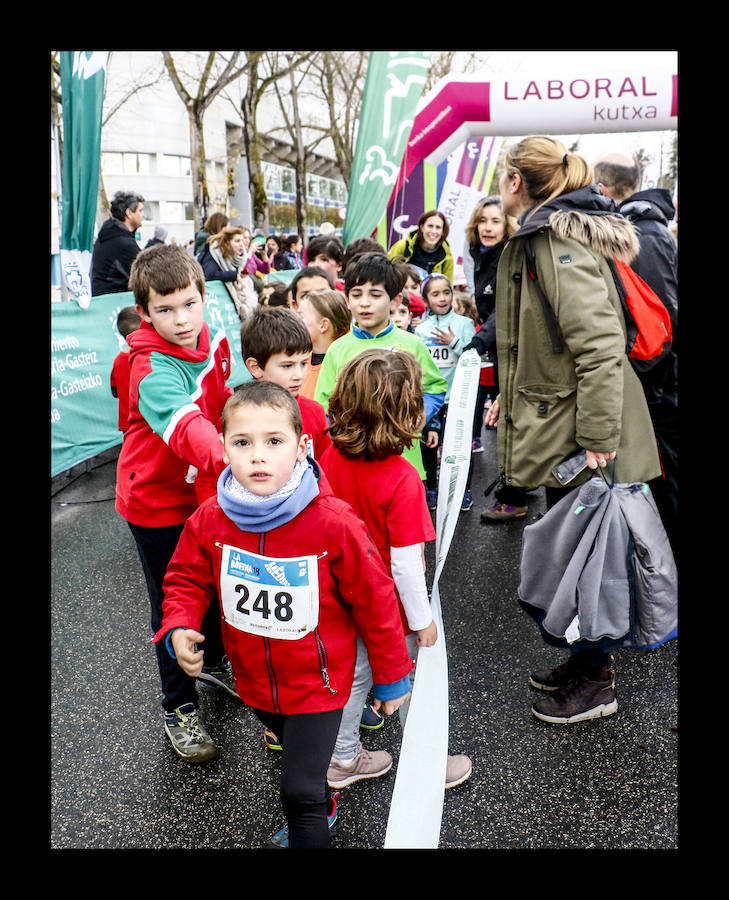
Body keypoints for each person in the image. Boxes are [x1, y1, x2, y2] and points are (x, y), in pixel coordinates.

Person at [154, 380, 413, 848]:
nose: (258, 456)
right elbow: (185, 578)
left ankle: (314, 807)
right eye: (242, 442)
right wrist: (180, 622)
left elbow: (376, 600)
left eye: (274, 441)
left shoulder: (333, 522)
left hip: (321, 684)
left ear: (301, 446)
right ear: (223, 446)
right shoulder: (211, 518)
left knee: (299, 791)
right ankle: (315, 791)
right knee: (285, 742)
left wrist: (392, 675)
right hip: (254, 682)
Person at [487, 135, 662, 724]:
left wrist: (596, 442)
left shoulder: (556, 240)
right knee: (581, 550)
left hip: (587, 432)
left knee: (596, 557)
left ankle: (597, 681)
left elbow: (600, 347)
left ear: (516, 182)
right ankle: (587, 663)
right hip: (576, 422)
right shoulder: (552, 234)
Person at [320, 349, 473, 790]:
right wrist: (422, 620)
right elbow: (405, 565)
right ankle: (427, 762)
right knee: (407, 674)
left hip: (338, 594)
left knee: (353, 680)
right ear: (408, 412)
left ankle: (342, 758)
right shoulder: (402, 479)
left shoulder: (329, 456)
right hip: (385, 606)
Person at [115, 243, 238, 762]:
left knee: (215, 580)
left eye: (189, 304)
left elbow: (223, 396)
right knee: (172, 604)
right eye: (165, 310)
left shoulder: (209, 337)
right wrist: (243, 460)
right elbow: (189, 428)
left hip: (204, 493)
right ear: (144, 313)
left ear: (204, 297)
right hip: (157, 503)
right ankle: (178, 707)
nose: (181, 319)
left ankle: (211, 659)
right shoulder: (149, 367)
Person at [593, 152, 679, 555]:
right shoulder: (648, 229)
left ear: (604, 189)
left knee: (666, 485)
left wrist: (649, 385)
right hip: (658, 384)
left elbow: (660, 325)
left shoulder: (642, 235)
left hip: (661, 388)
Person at [314, 253, 448, 483]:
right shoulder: (337, 349)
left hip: (405, 460)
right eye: (356, 295)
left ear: (396, 301)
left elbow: (435, 388)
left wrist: (416, 419)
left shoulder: (412, 344)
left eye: (375, 295)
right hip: (352, 464)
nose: (364, 302)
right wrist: (341, 438)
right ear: (347, 300)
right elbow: (324, 406)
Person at [460, 197, 529, 521]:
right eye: (483, 220)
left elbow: (505, 308)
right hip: (503, 344)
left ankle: (514, 497)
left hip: (516, 347)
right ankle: (520, 485)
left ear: (507, 226)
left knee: (512, 420)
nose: (488, 227)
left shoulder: (507, 254)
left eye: (495, 221)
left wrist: (477, 341)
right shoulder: (481, 254)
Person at [414, 273, 477, 511]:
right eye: (435, 294)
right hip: (431, 398)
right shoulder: (422, 330)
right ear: (427, 299)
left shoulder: (464, 324)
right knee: (428, 445)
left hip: (458, 398)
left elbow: (474, 359)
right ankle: (431, 487)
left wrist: (454, 343)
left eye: (446, 292)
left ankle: (463, 490)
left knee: (461, 446)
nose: (442, 298)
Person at [240, 305, 332, 465]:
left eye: (303, 363)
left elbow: (325, 467)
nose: (299, 375)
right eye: (287, 366)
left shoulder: (315, 412)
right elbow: (211, 478)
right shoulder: (238, 417)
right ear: (256, 368)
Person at [296, 288, 351, 399]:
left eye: (301, 316)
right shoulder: (300, 362)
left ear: (323, 325)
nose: (295, 321)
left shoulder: (344, 368)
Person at [197, 226, 258, 322]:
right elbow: (210, 275)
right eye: (237, 241)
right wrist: (234, 276)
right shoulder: (213, 254)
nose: (242, 244)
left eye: (242, 241)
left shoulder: (238, 258)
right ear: (227, 243)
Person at [90, 190, 145, 296]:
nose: (143, 215)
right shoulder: (124, 244)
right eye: (140, 211)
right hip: (115, 304)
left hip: (104, 300)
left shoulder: (109, 234)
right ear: (129, 213)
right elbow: (148, 276)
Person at [388, 210, 454, 282]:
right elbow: (387, 272)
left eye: (438, 227)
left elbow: (448, 287)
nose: (433, 231)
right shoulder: (402, 246)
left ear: (443, 232)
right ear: (422, 227)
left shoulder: (447, 257)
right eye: (430, 226)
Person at [110, 306, 141, 434]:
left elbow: (114, 392)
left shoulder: (118, 361)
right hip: (149, 422)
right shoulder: (149, 357)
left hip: (127, 423)